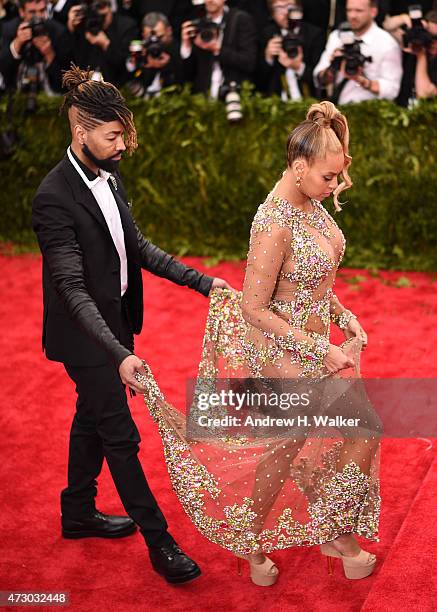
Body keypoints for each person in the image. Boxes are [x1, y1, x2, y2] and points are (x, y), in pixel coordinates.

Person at [135, 100, 382, 586]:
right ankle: (287, 536)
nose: (335, 187)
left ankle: (307, 534)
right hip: (280, 355)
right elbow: (254, 307)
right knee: (317, 440)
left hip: (314, 346)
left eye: (337, 178)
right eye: (328, 178)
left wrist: (343, 316)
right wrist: (320, 349)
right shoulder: (273, 222)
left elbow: (317, 282)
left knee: (326, 440)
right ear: (298, 167)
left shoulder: (309, 206)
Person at [31, 65, 233, 585]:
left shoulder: (108, 175)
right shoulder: (53, 197)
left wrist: (204, 283)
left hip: (116, 324)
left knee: (90, 418)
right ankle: (160, 542)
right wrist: (117, 354)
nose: (124, 144)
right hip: (85, 336)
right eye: (114, 134)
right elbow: (71, 289)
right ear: (82, 131)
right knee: (119, 435)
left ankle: (77, 511)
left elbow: (135, 248)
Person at [314, 0, 403, 104]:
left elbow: (392, 90)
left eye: (359, 10)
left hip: (373, 113)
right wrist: (332, 67)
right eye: (349, 10)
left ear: (373, 12)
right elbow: (318, 79)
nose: (352, 15)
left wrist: (362, 81)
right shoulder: (336, 37)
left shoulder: (387, 43)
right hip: (338, 111)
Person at [180, 0, 257, 97]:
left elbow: (249, 62)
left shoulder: (240, 20)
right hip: (203, 98)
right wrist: (186, 45)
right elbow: (188, 73)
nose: (211, 0)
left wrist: (218, 49)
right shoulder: (197, 22)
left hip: (234, 95)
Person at [257, 0, 325, 100]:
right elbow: (258, 82)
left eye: (290, 6)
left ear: (299, 9)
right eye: (279, 8)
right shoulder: (266, 35)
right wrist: (268, 57)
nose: (286, 12)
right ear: (272, 13)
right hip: (276, 103)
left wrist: (298, 67)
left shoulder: (314, 35)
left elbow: (323, 81)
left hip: (309, 102)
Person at [0, 0, 69, 94]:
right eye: (32, 12)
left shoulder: (58, 31)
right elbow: (3, 70)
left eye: (42, 10)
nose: (38, 16)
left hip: (51, 95)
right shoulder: (10, 28)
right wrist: (17, 44)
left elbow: (66, 80)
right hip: (16, 93)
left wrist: (49, 54)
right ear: (21, 12)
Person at [66, 0, 138, 86]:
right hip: (87, 88)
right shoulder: (84, 25)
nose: (99, 19)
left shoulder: (127, 26)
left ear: (109, 7)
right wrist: (71, 27)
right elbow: (69, 57)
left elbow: (128, 65)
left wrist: (106, 44)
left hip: (117, 87)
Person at [126, 11, 183, 98]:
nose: (155, 43)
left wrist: (167, 66)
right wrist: (136, 61)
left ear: (169, 31)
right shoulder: (142, 53)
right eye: (150, 39)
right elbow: (130, 82)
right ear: (143, 35)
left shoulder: (181, 51)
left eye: (160, 37)